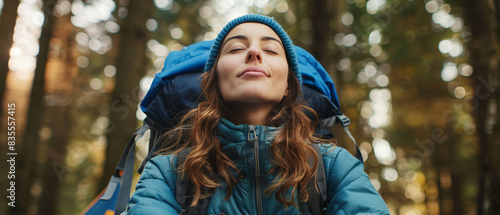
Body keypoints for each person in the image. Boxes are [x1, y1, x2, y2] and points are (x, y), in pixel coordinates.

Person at [123, 14, 390, 214]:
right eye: (236, 48)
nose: (253, 53)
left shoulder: (335, 167)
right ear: (213, 83)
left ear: (288, 87)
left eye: (271, 50)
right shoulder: (168, 171)